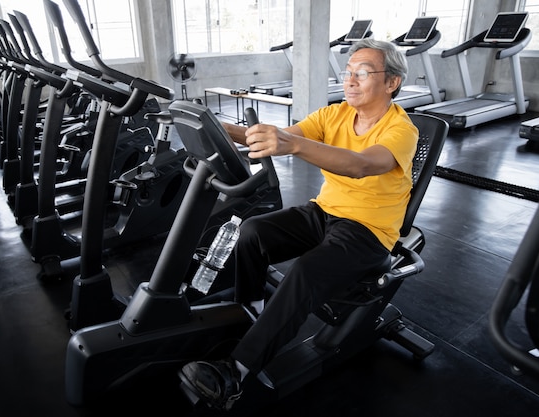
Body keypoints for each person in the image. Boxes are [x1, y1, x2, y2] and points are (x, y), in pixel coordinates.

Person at [179, 38, 419, 411]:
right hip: (324, 212)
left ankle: (235, 373)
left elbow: (362, 165)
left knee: (305, 272)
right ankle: (252, 309)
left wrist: (291, 146)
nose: (350, 80)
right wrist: (210, 123)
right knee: (253, 232)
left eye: (362, 73)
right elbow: (281, 136)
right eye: (347, 72)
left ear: (391, 83)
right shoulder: (334, 114)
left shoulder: (401, 130)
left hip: (369, 232)